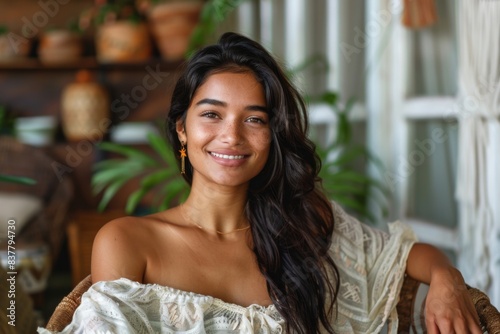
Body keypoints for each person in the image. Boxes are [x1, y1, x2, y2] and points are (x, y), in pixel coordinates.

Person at [39, 32, 481, 334]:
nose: (231, 136)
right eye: (211, 114)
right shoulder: (127, 241)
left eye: (254, 119)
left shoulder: (303, 224)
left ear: (273, 134)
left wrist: (446, 278)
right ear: (181, 128)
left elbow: (404, 257)